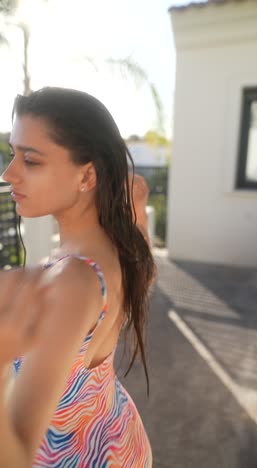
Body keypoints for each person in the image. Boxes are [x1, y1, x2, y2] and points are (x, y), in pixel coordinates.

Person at [0, 87, 155, 467]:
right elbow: (145, 276)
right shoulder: (122, 244)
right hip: (116, 438)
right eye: (12, 155)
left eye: (31, 161)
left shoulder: (72, 280)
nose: (8, 173)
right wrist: (138, 212)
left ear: (87, 175)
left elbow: (16, 452)